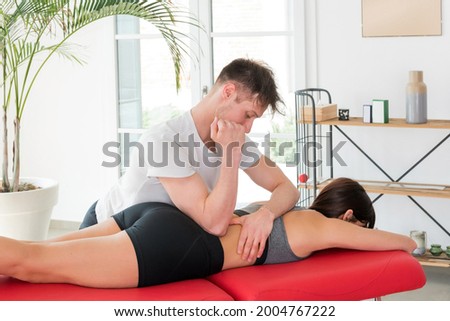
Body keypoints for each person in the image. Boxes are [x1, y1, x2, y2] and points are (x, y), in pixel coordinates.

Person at [0, 178, 416, 288]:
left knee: (33, 249)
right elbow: (403, 243)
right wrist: (391, 239)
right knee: (31, 262)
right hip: (172, 247)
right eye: (358, 228)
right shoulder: (318, 226)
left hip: (157, 217)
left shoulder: (276, 210)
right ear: (347, 217)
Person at [81, 58, 300, 262]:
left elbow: (288, 188)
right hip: (105, 229)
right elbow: (214, 224)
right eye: (248, 115)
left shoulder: (235, 138)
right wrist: (231, 153)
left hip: (154, 238)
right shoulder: (164, 141)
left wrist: (265, 214)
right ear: (228, 92)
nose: (248, 127)